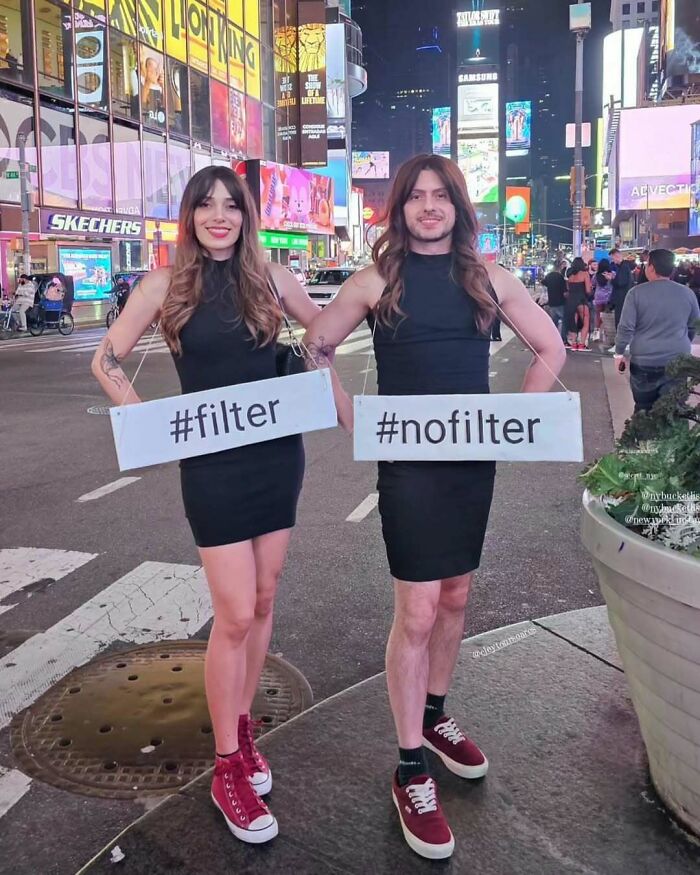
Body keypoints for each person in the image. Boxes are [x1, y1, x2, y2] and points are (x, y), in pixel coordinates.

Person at [302, 154, 565, 860]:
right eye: (415, 196)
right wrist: (355, 418)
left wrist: (512, 422)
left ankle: (437, 714)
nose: (427, 207)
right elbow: (315, 345)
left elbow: (551, 346)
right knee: (416, 610)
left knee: (454, 599)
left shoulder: (484, 279)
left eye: (439, 196)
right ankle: (410, 763)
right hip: (409, 465)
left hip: (470, 463)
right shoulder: (378, 279)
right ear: (400, 208)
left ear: (457, 206)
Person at [91, 166, 350, 845]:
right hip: (210, 466)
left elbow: (327, 332)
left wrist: (326, 366)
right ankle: (226, 763)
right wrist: (147, 419)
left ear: (246, 215)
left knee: (263, 600)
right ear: (189, 214)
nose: (218, 216)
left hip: (276, 460)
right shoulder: (164, 284)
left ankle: (241, 729)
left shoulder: (271, 275)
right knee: (233, 611)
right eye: (205, 205)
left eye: (230, 206)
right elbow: (107, 360)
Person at [614, 248, 700, 413]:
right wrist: (680, 342)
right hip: (678, 361)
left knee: (643, 409)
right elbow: (693, 325)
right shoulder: (687, 294)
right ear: (672, 269)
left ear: (651, 267)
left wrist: (619, 353)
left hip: (644, 361)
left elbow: (626, 327)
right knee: (674, 411)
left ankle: (645, 438)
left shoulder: (636, 293)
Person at [564, 257, 591, 350]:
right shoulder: (585, 274)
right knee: (585, 322)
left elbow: (568, 290)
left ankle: (574, 343)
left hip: (571, 301)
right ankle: (582, 344)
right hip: (581, 300)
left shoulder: (570, 276)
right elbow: (588, 290)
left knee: (573, 323)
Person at [542, 265, 568, 341]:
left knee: (554, 321)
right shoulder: (560, 277)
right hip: (560, 302)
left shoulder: (548, 276)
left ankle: (553, 337)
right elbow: (565, 292)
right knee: (564, 320)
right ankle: (563, 338)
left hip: (552, 302)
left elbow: (543, 283)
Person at [591, 258, 613, 341]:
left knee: (598, 316)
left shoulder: (596, 275)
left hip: (598, 298)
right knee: (607, 317)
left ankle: (596, 334)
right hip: (609, 298)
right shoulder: (612, 274)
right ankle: (606, 334)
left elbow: (592, 284)